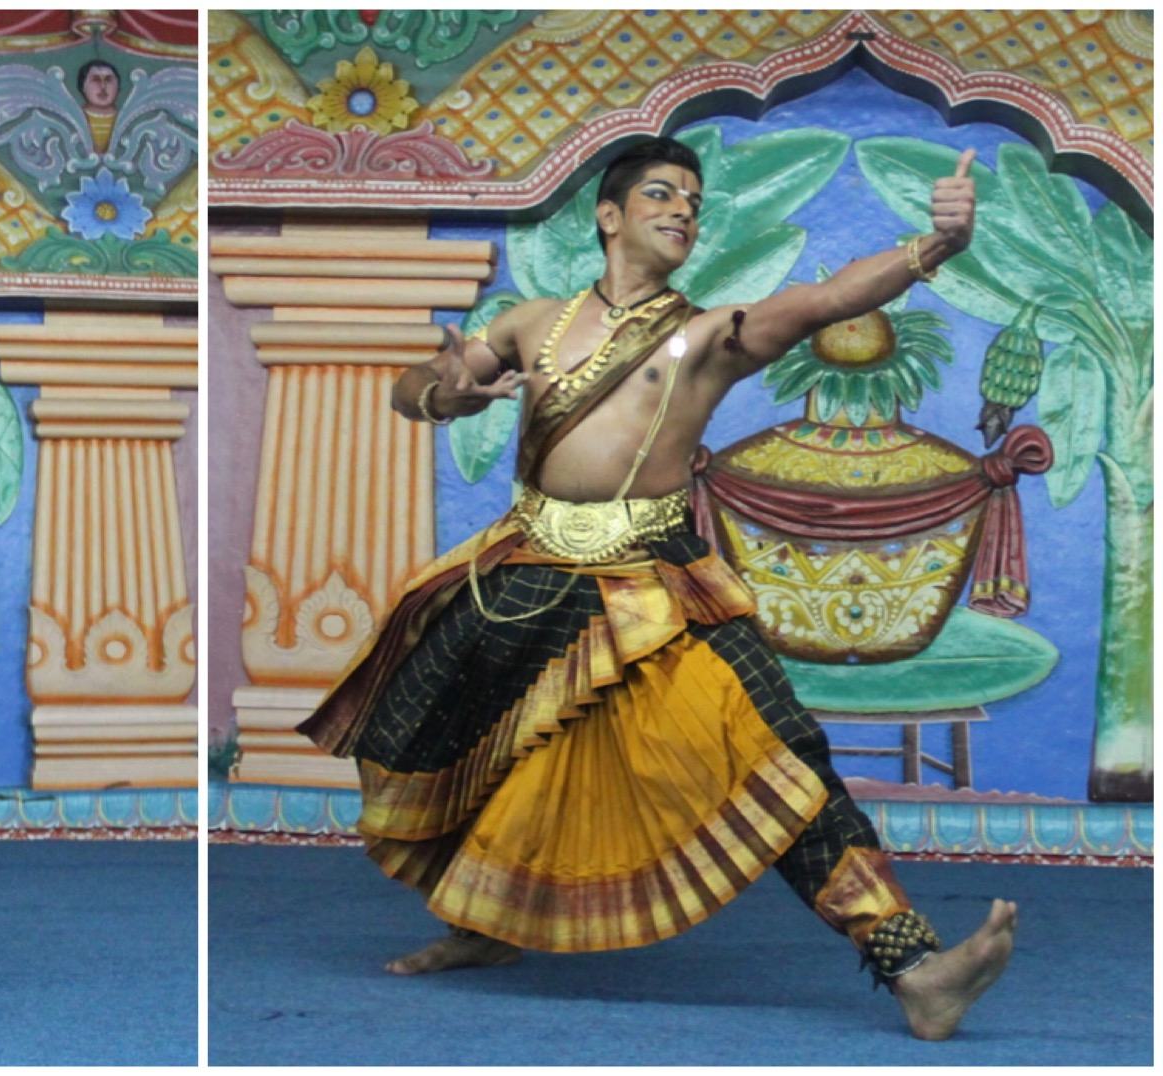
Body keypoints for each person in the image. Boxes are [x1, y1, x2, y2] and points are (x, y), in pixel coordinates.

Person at [298, 136, 1015, 1040]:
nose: (683, 211)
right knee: (476, 744)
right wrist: (442, 393)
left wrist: (935, 247)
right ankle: (482, 928)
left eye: (694, 202)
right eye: (662, 195)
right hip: (526, 566)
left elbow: (825, 300)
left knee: (781, 755)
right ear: (610, 215)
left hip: (656, 582)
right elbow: (412, 392)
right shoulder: (531, 325)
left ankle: (915, 967)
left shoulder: (706, 336)